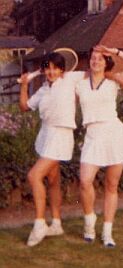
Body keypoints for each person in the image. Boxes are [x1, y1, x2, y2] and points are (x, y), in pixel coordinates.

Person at [76, 46, 123, 247]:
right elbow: (55, 73)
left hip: (114, 134)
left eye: (100, 59)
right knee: (85, 181)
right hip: (92, 136)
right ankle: (89, 224)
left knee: (111, 186)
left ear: (106, 62)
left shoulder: (114, 81)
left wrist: (115, 51)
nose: (96, 61)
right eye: (93, 58)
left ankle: (107, 232)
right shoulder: (79, 83)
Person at [20, 51, 84, 247]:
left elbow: (95, 72)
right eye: (47, 67)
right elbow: (24, 106)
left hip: (61, 135)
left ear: (62, 70)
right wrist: (24, 85)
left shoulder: (71, 79)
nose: (51, 71)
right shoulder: (43, 90)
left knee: (34, 176)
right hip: (45, 134)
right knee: (53, 180)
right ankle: (56, 224)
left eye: (55, 68)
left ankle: (39, 224)